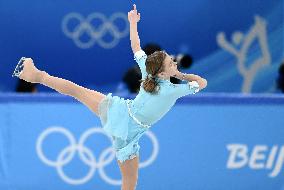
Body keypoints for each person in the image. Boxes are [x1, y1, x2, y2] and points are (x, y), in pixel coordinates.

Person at [13, 4, 207, 190]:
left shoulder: (149, 73)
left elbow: (136, 46)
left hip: (123, 119)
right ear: (162, 72)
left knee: (77, 91)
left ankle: (38, 75)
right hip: (124, 121)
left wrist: (132, 23)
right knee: (129, 183)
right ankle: (36, 75)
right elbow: (202, 82)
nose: (174, 62)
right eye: (171, 62)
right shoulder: (173, 89)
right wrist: (181, 76)